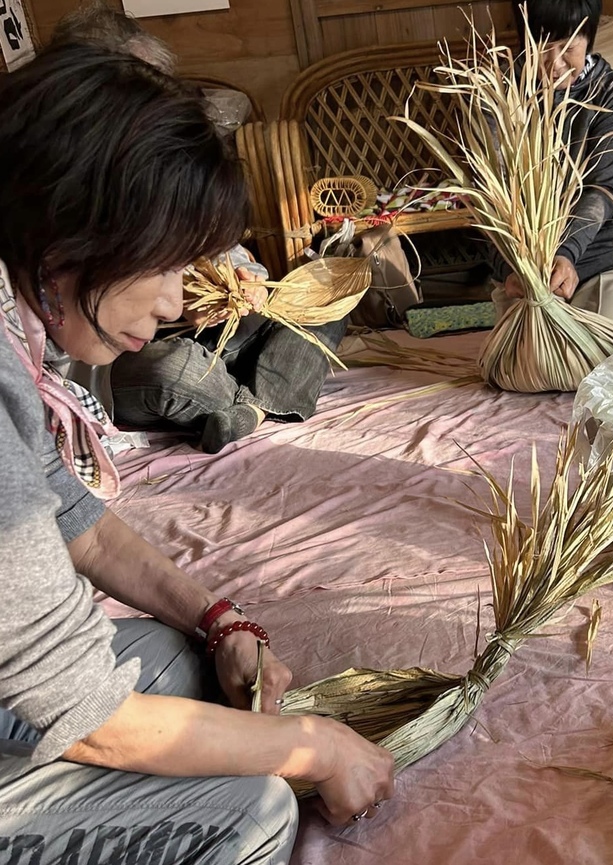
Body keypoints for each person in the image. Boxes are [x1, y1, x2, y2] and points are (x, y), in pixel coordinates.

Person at [0, 43, 393, 862]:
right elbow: (91, 714)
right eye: (166, 264)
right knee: (247, 812)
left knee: (183, 659)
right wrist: (315, 746)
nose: (177, 300)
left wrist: (219, 620)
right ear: (76, 233)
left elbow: (78, 524)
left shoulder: (17, 326)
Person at [51, 3, 349, 454]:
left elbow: (221, 249)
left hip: (216, 336)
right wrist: (169, 304)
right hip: (125, 356)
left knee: (326, 300)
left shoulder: (171, 169)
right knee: (175, 370)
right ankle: (257, 395)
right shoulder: (61, 189)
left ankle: (249, 407)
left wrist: (247, 281)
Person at [492, 0, 613, 332]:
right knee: (532, 359)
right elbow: (488, 195)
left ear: (589, 38)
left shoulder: (612, 93)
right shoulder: (498, 96)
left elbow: (602, 189)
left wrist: (566, 254)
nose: (555, 63)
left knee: (608, 354)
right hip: (522, 269)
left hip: (603, 259)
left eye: (568, 47)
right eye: (541, 47)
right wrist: (510, 269)